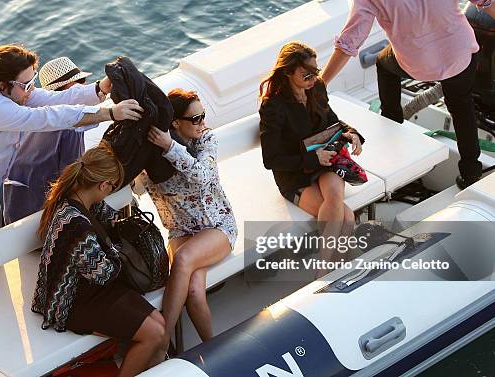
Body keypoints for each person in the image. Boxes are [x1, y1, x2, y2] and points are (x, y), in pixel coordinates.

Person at [0, 44, 143, 258]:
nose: (31, 90)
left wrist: (100, 88)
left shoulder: (13, 95)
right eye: (25, 85)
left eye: (33, 82)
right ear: (2, 85)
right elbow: (48, 117)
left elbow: (57, 99)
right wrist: (109, 114)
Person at [320, 0, 495, 189]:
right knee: (461, 108)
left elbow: (348, 43)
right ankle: (471, 173)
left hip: (417, 64)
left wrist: (321, 83)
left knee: (384, 64)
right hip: (460, 56)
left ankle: (393, 128)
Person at [32, 142, 166, 377]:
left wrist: (124, 227)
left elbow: (112, 219)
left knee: (160, 325)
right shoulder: (74, 223)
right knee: (154, 334)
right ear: (103, 184)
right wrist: (117, 249)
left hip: (95, 289)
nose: (111, 191)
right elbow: (103, 273)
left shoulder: (84, 201)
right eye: (112, 187)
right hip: (73, 302)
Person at [143, 89, 237, 355]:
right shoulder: (153, 155)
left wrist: (170, 147)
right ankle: (213, 348)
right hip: (180, 230)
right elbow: (140, 186)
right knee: (194, 291)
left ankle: (162, 342)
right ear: (175, 123)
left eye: (203, 116)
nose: (202, 122)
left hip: (217, 226)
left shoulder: (206, 140)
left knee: (183, 260)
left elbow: (203, 176)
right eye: (195, 118)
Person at [259, 41, 363, 275]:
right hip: (295, 173)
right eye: (307, 74)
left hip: (326, 161)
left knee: (335, 195)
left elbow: (332, 121)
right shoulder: (273, 107)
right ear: (288, 72)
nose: (314, 78)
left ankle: (326, 271)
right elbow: (271, 159)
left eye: (316, 71)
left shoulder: (317, 88)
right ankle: (329, 272)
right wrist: (312, 159)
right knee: (346, 218)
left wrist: (352, 133)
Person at [3, 56, 109, 224]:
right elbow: (71, 178)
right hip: (40, 216)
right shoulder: (71, 126)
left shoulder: (32, 120)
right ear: (68, 90)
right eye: (80, 82)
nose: (84, 86)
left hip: (13, 210)